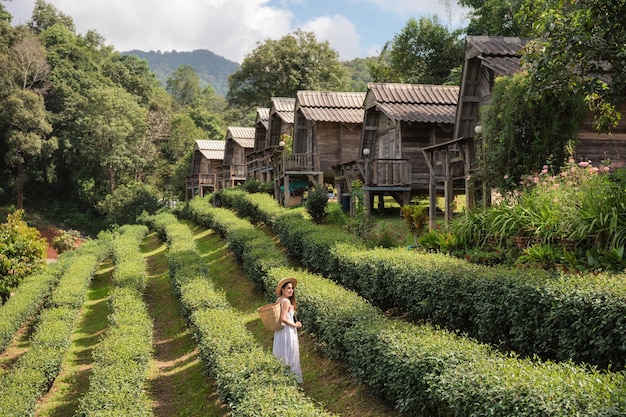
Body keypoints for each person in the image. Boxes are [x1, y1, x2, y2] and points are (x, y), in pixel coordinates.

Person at [272, 277, 303, 383]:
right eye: (288, 288)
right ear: (282, 289)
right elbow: (283, 319)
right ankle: (293, 379)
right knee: (290, 353)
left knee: (283, 353)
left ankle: (283, 378)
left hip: (281, 332)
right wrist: (295, 324)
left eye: (292, 288)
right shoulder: (286, 301)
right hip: (288, 331)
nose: (291, 290)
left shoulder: (279, 299)